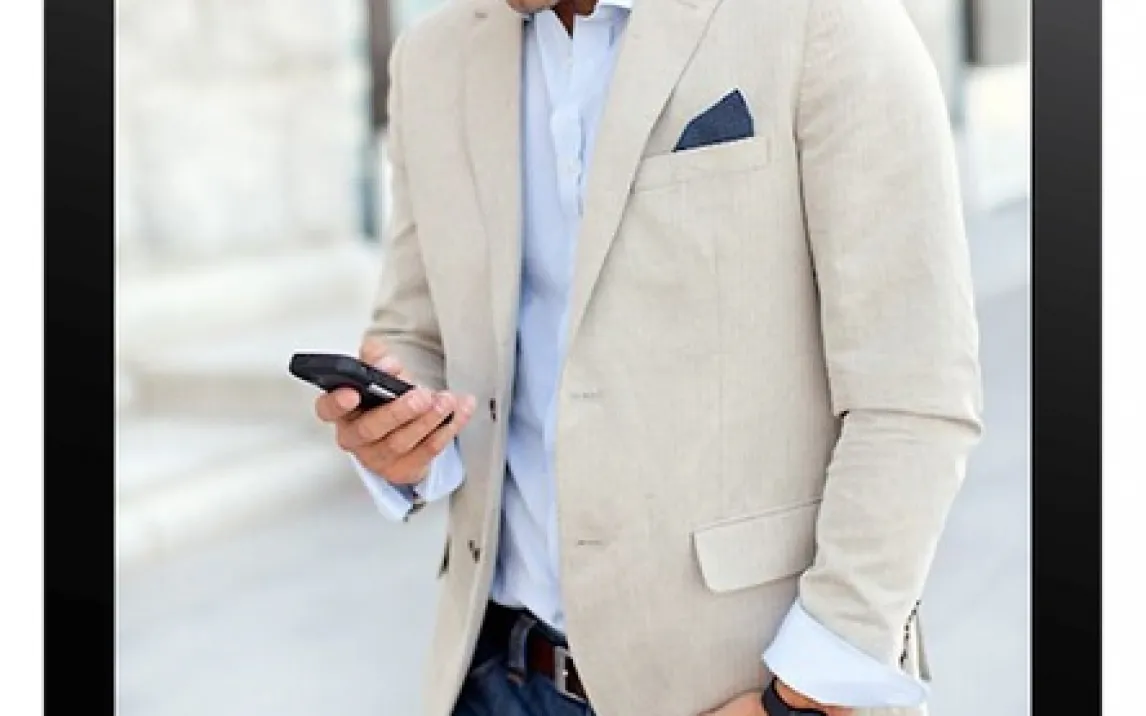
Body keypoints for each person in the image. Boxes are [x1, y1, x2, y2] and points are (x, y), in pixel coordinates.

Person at [313, 0, 982, 713]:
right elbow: (413, 330)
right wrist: (402, 438)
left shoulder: (825, 19)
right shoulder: (431, 58)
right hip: (496, 677)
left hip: (736, 685)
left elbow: (914, 394)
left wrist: (800, 699)